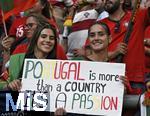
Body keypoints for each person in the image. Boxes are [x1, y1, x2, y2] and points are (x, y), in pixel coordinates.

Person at [0, 23, 66, 115]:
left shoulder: (59, 67)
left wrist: (56, 112)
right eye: (43, 36)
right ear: (36, 39)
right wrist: (10, 86)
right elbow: (2, 83)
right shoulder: (17, 59)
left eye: (51, 38)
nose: (48, 40)